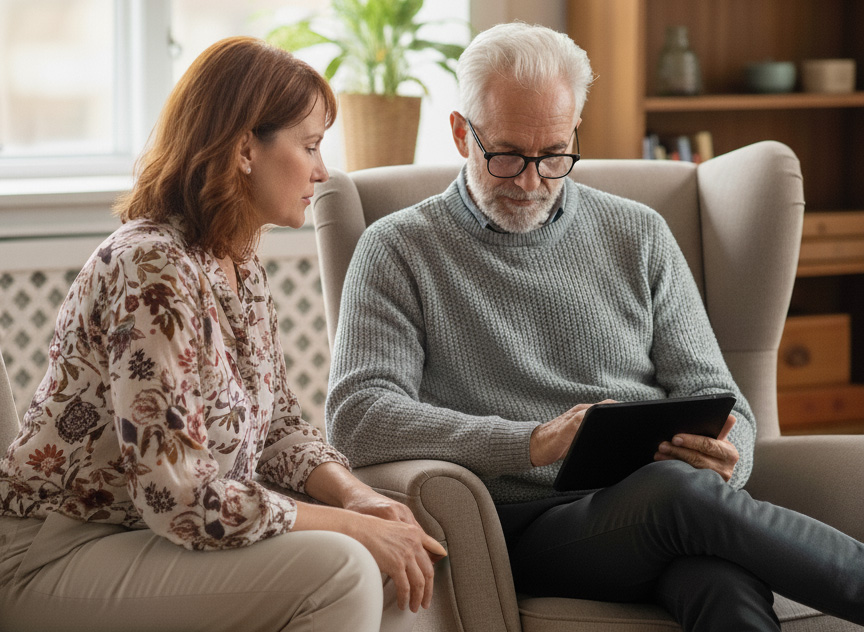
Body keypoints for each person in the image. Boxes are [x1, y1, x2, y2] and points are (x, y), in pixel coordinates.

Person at [324, 22, 864, 631]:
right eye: (506, 156)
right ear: (459, 133)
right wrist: (529, 441)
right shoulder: (397, 248)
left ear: (574, 132)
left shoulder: (640, 233)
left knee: (720, 580)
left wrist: (723, 461)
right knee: (679, 499)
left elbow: (721, 396)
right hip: (527, 527)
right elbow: (357, 415)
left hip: (672, 507)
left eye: (554, 155)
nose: (531, 183)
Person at [0, 36, 445, 632]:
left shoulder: (236, 260)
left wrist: (355, 497)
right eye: (309, 145)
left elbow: (278, 423)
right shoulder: (151, 269)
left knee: (387, 550)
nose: (321, 169)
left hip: (144, 539)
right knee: (342, 566)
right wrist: (349, 526)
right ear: (244, 149)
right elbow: (180, 498)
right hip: (56, 554)